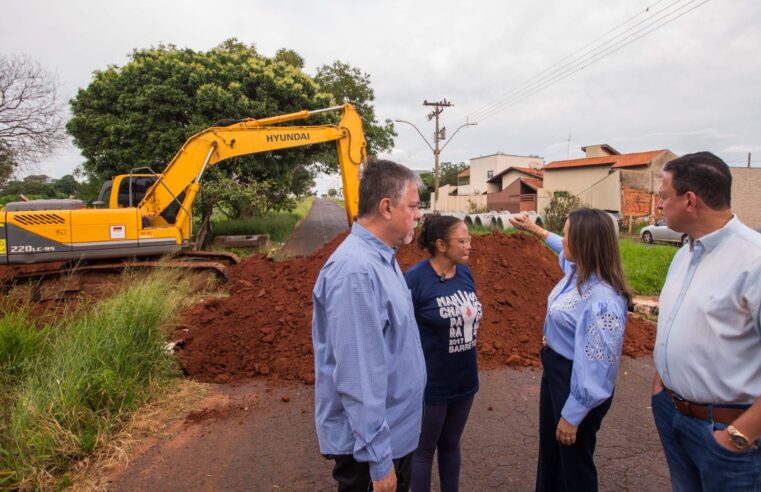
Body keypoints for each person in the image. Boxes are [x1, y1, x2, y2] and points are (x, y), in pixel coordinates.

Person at [312, 159, 427, 492]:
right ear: (387, 207)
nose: (418, 215)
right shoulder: (356, 272)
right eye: (413, 206)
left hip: (392, 439)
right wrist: (379, 461)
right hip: (371, 453)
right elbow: (359, 376)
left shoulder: (382, 258)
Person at [650, 152, 761, 491]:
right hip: (673, 415)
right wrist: (661, 387)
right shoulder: (685, 253)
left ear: (690, 200)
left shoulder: (753, 261)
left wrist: (738, 435)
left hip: (727, 435)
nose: (658, 204)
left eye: (664, 196)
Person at [509, 208, 632, 492]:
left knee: (574, 463)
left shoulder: (602, 300)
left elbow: (598, 366)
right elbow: (561, 253)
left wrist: (574, 414)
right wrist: (536, 230)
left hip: (574, 381)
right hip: (556, 373)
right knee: (552, 454)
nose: (562, 240)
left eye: (566, 234)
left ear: (584, 243)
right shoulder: (578, 272)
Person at [404, 215, 482, 492]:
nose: (468, 245)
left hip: (464, 381)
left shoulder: (464, 273)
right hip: (431, 385)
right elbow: (401, 333)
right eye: (462, 241)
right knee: (423, 452)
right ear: (440, 245)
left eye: (469, 239)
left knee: (451, 445)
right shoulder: (414, 280)